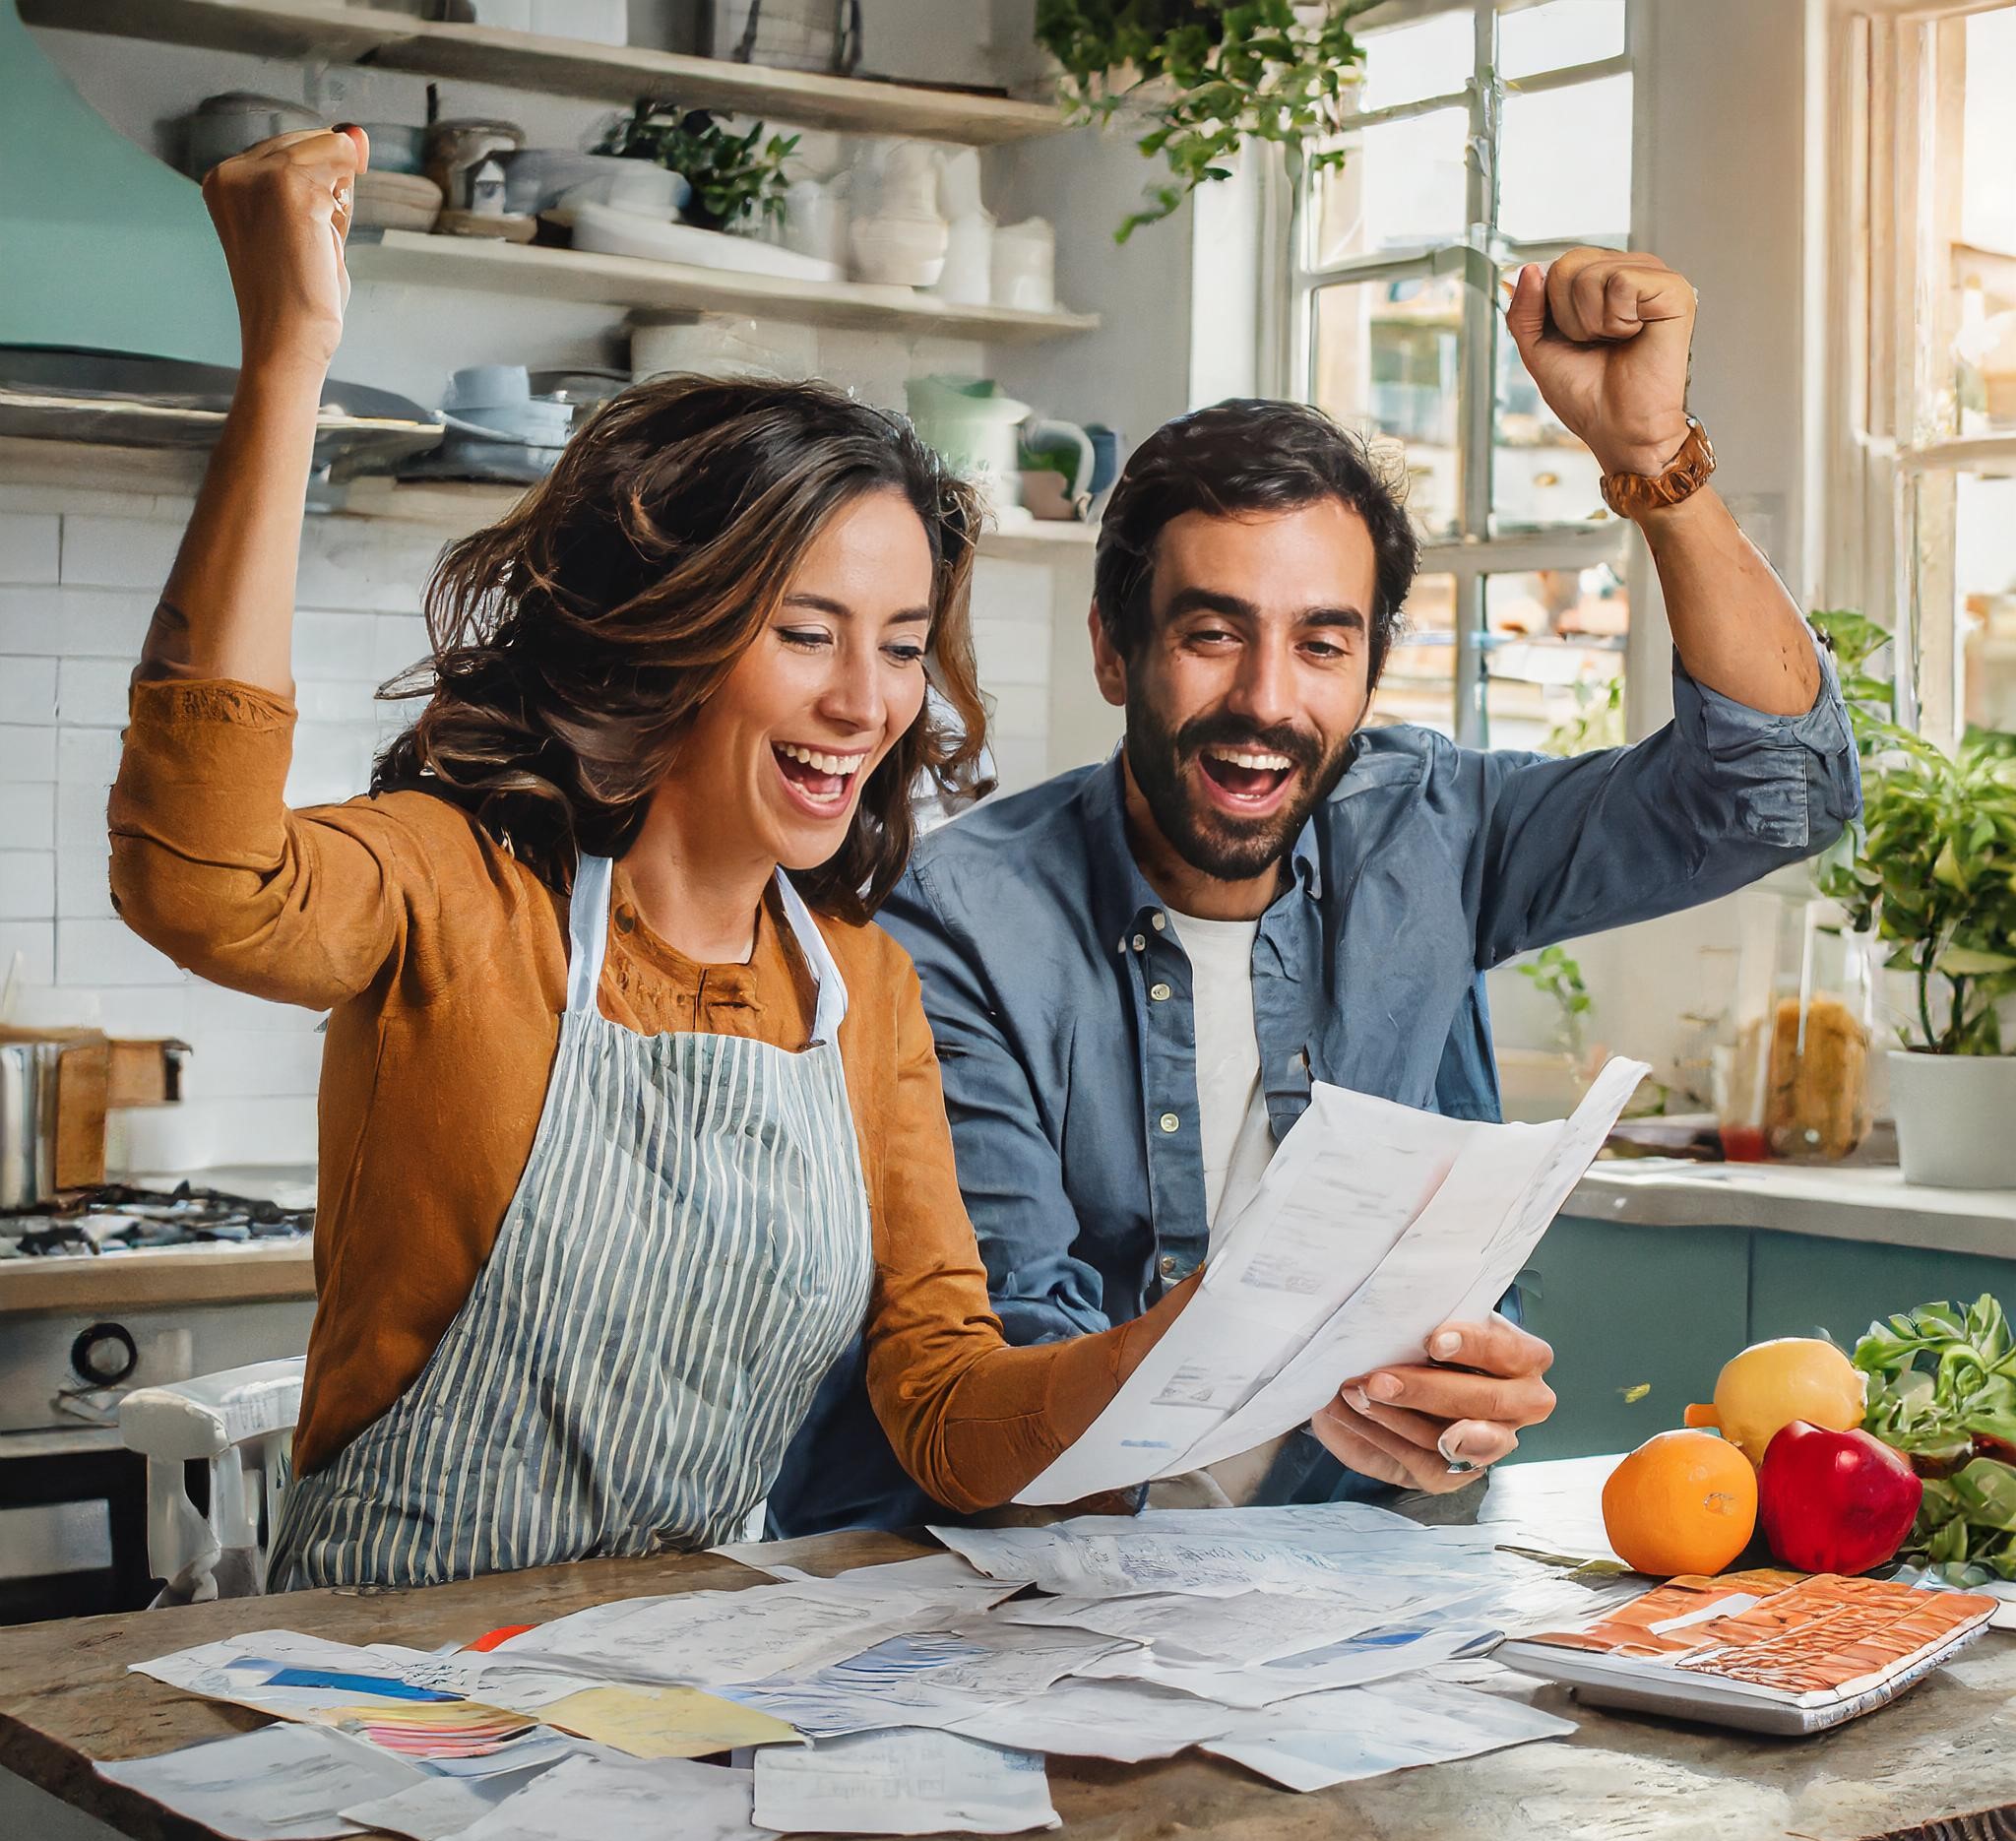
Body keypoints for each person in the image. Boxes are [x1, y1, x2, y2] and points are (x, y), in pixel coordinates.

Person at [107, 126, 1206, 1591]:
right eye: (807, 632)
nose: (866, 703)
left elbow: (948, 1415)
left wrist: (1188, 1348)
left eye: (898, 647)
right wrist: (289, 357)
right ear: (671, 632)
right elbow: (201, 877)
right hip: (378, 1688)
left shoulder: (859, 995)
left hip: (681, 1698)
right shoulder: (455, 887)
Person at [771, 249, 1861, 1534]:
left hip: (1339, 1596)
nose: (1268, 702)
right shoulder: (959, 919)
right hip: (992, 1599)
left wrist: (1656, 458)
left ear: (1370, 669)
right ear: (1116, 649)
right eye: (1213, 631)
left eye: (1323, 644)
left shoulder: (1428, 830)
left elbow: (1779, 789)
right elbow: (1007, 1391)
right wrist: (1307, 1357)